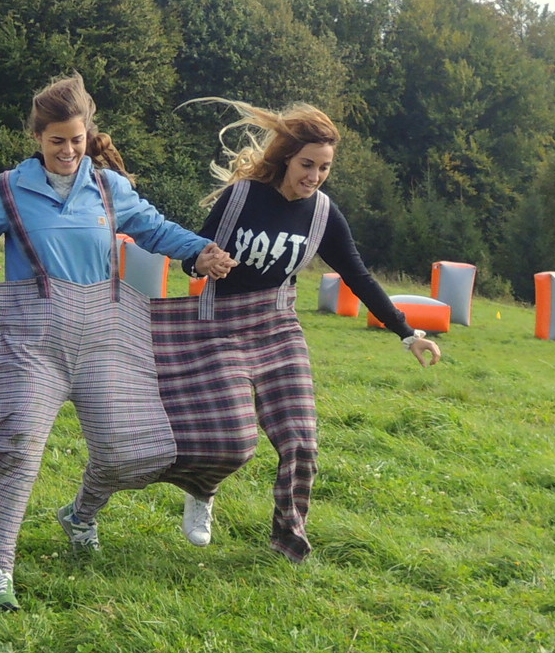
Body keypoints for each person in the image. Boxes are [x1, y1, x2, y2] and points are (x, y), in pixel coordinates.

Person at [0, 73, 236, 610]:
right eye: (57, 141)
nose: (68, 151)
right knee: (17, 447)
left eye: (77, 139)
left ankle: (81, 514)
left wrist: (199, 251)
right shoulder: (9, 188)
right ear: (37, 137)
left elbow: (155, 228)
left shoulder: (107, 187)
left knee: (131, 452)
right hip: (31, 337)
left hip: (104, 332)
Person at [128, 100, 442, 560]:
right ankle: (201, 489)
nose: (314, 176)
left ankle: (288, 540)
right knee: (232, 442)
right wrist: (204, 263)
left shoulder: (323, 214)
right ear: (287, 159)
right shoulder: (241, 197)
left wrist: (407, 333)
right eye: (307, 165)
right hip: (222, 327)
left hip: (278, 328)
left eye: (324, 168)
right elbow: (193, 257)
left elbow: (358, 275)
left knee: (302, 441)